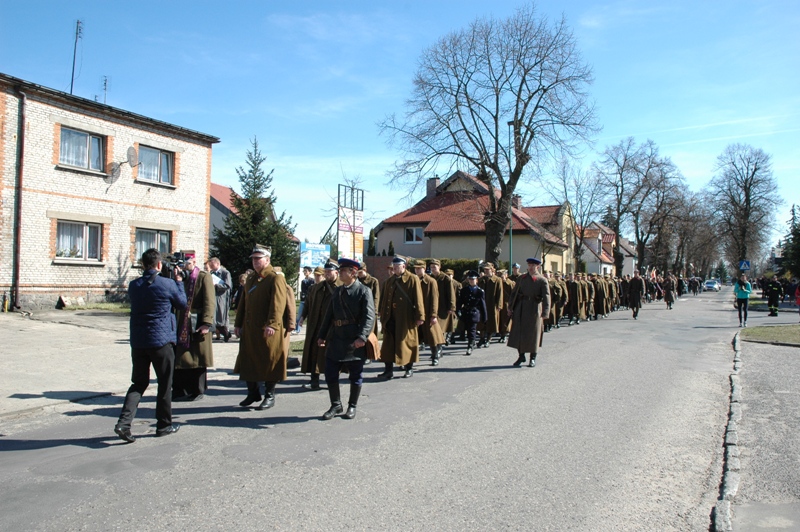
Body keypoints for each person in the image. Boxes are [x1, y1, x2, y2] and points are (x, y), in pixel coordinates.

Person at [114, 248, 187, 443]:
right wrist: (179, 283)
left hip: (139, 341)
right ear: (159, 265)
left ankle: (124, 423)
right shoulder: (167, 283)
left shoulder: (134, 285)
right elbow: (182, 303)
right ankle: (163, 425)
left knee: (138, 383)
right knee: (164, 384)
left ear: (143, 265)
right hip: (161, 342)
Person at [316, 258, 376, 420]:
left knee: (355, 375)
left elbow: (369, 317)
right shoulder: (338, 291)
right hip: (336, 339)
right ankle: (336, 404)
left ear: (353, 273)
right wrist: (321, 335)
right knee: (330, 373)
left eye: (343, 270)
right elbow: (329, 315)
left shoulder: (364, 291)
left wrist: (362, 337)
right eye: (340, 270)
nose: (340, 273)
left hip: (354, 340)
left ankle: (352, 406)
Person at [233, 244, 288, 410]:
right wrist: (238, 323)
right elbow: (243, 302)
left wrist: (272, 324)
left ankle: (269, 395)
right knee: (248, 360)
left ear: (267, 259)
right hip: (250, 328)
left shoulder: (275, 277)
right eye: (253, 259)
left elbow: (278, 304)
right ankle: (253, 393)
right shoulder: (251, 278)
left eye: (258, 258)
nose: (255, 262)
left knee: (269, 361)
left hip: (267, 328)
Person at [173, 256, 215, 402]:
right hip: (180, 321)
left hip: (197, 321)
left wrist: (207, 323)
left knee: (197, 356)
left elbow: (210, 301)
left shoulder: (203, 277)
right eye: (183, 264)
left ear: (195, 263)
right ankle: (180, 389)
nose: (186, 267)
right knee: (180, 356)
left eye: (188, 264)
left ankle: (197, 389)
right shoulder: (179, 277)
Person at [378, 257, 425, 379]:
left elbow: (418, 299)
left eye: (397, 266)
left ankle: (409, 368)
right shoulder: (390, 281)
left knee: (407, 343)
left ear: (403, 266)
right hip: (390, 317)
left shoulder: (412, 279)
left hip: (406, 317)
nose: (394, 269)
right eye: (393, 267)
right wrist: (381, 314)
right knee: (388, 345)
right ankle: (388, 370)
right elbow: (384, 300)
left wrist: (420, 316)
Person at [299, 262, 339, 389]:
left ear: (336, 272)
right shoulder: (316, 287)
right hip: (315, 325)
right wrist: (302, 317)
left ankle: (332, 381)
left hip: (333, 327)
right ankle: (314, 380)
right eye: (325, 272)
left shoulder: (341, 287)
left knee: (331, 354)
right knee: (314, 352)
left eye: (329, 272)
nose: (326, 274)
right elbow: (308, 304)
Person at [507, 257, 550, 368]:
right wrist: (510, 307)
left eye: (533, 266)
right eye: (529, 265)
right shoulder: (522, 278)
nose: (530, 267)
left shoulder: (541, 280)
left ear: (538, 267)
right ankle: (521, 355)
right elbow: (514, 293)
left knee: (533, 333)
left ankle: (533, 358)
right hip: (521, 307)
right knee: (519, 333)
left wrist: (545, 312)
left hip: (535, 308)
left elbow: (546, 296)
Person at [413, 260, 446, 366]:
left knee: (432, 337)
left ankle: (435, 355)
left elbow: (434, 299)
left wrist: (433, 315)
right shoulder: (413, 280)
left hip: (427, 313)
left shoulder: (431, 281)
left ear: (424, 268)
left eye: (419, 268)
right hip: (416, 313)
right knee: (414, 337)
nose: (417, 270)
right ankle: (410, 360)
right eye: (416, 268)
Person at [457, 270, 487, 355]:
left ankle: (470, 345)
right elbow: (460, 301)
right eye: (470, 279)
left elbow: (482, 305)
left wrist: (484, 317)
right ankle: (471, 341)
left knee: (472, 330)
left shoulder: (479, 291)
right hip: (465, 312)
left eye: (473, 279)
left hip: (474, 312)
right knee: (464, 328)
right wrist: (458, 310)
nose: (471, 281)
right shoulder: (464, 290)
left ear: (476, 280)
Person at [206, 257, 232, 342]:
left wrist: (216, 286)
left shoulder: (225, 273)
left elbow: (227, 286)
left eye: (212, 265)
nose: (211, 267)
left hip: (221, 298)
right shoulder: (212, 273)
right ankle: (215, 332)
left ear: (217, 264)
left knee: (221, 318)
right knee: (213, 317)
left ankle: (226, 333)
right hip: (213, 297)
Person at [477, 263, 503, 346]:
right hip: (482, 304)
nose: (486, 271)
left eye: (488, 269)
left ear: (492, 269)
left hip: (492, 304)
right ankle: (481, 338)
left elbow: (500, 293)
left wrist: (499, 305)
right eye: (485, 269)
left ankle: (488, 338)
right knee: (481, 322)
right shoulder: (481, 280)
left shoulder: (497, 280)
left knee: (491, 322)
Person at [356, 262, 380, 336]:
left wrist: (375, 312)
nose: (359, 275)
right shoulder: (356, 281)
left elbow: (376, 297)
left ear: (365, 270)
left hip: (370, 310)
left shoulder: (373, 281)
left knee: (370, 335)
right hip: (359, 311)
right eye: (357, 273)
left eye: (360, 272)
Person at [295, 266, 314, 333]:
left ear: (310, 272)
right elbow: (303, 291)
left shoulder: (312, 281)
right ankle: (297, 329)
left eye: (306, 271)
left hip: (310, 301)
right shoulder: (303, 281)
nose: (304, 272)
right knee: (299, 315)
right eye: (304, 271)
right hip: (303, 300)